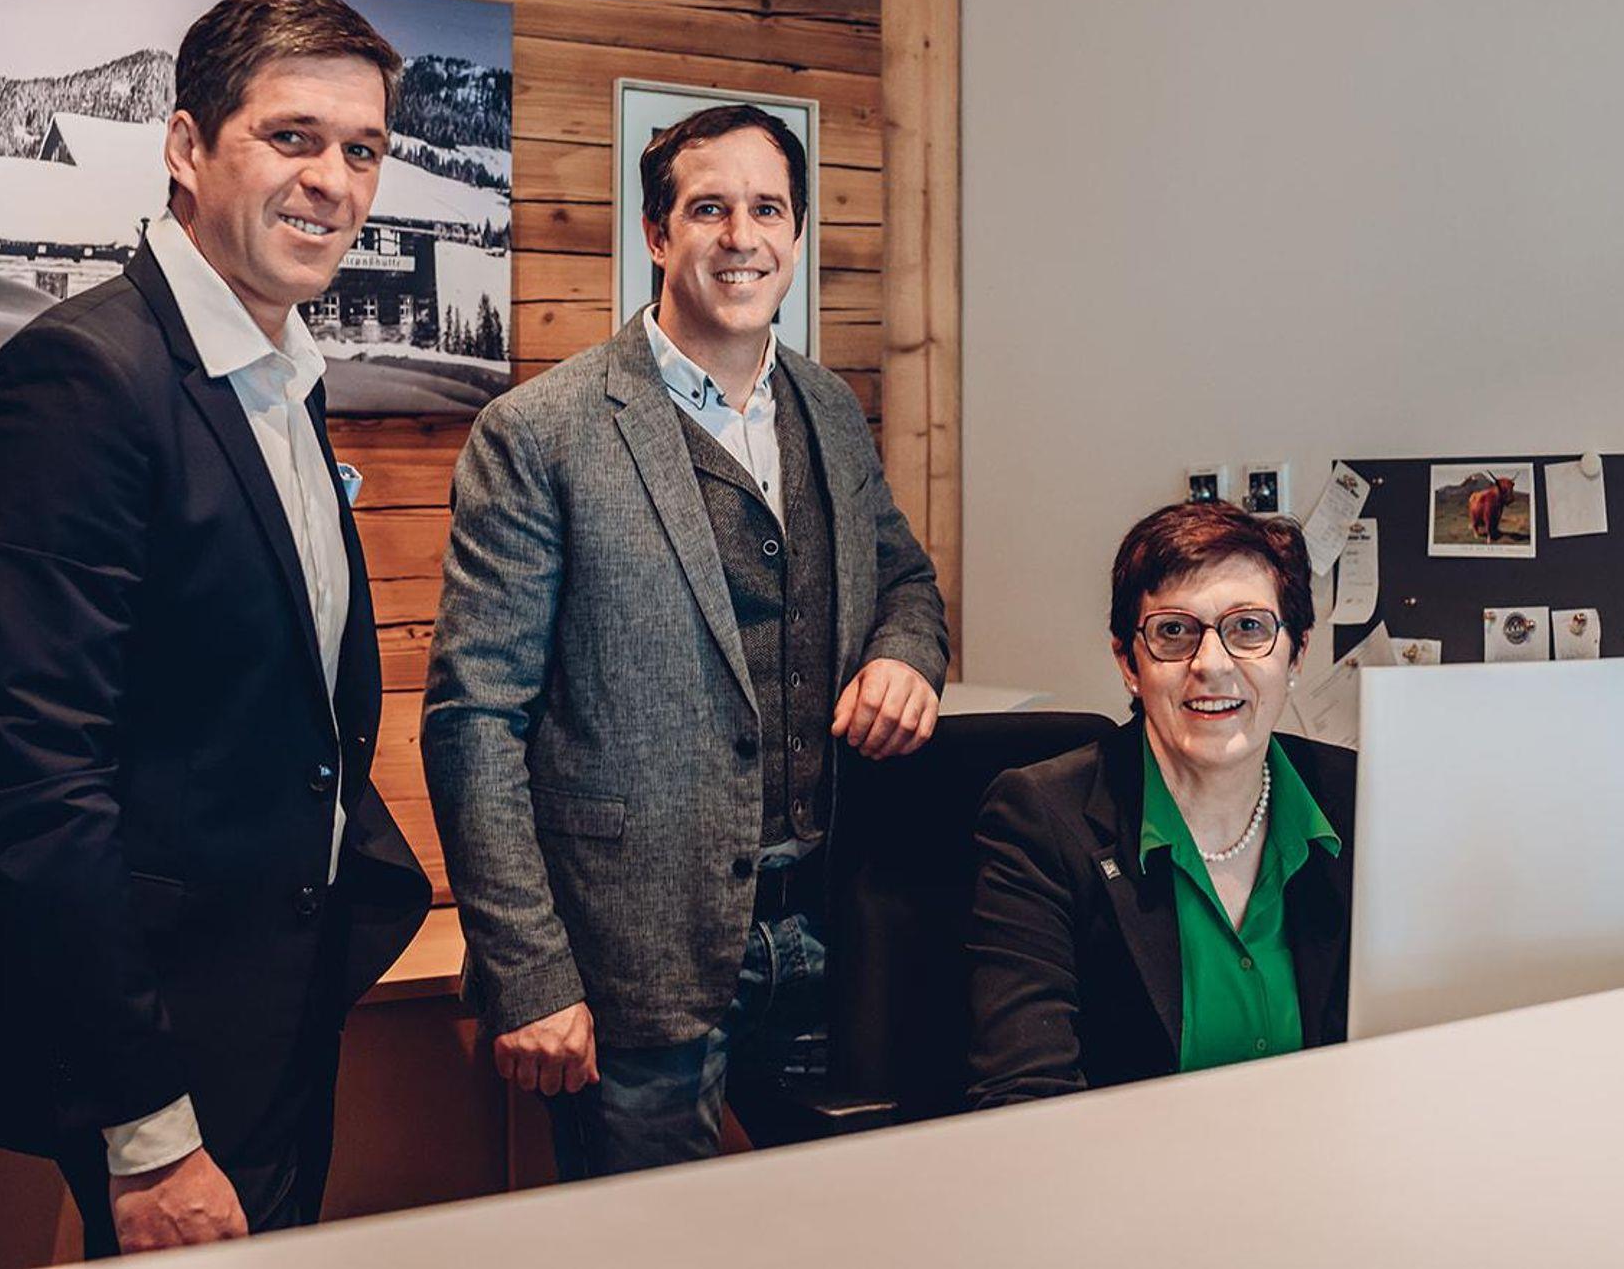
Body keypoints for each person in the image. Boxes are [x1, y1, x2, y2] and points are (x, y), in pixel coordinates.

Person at [0, 0, 430, 1255]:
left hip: (278, 1000)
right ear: (184, 145)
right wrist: (149, 1130)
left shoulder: (280, 372)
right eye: (291, 137)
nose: (333, 181)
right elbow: (44, 782)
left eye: (362, 149)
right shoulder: (81, 377)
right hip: (157, 1045)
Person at [421, 103, 949, 1177]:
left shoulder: (828, 408)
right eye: (708, 209)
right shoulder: (539, 433)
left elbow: (905, 581)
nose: (741, 236)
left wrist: (904, 652)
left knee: (839, 1230)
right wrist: (529, 972)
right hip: (633, 961)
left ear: (797, 233)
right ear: (656, 234)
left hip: (827, 933)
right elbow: (474, 719)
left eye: (767, 209)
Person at [966, 501, 1354, 1107]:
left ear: (1296, 652)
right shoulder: (1040, 820)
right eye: (1174, 632)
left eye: (1248, 628)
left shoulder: (1357, 799)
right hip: (1124, 1164)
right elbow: (1024, 1096)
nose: (1212, 665)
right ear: (1130, 662)